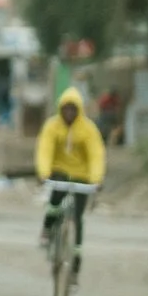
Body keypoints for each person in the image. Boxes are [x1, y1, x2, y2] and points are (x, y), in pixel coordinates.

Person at [35, 84, 107, 275]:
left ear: (79, 110)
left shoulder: (88, 129)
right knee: (56, 198)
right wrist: (43, 173)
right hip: (59, 171)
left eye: (73, 109)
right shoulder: (52, 126)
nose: (69, 112)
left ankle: (75, 264)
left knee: (77, 217)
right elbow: (45, 150)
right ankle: (47, 228)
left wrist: (96, 179)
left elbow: (96, 155)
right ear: (61, 109)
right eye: (66, 108)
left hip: (81, 176)